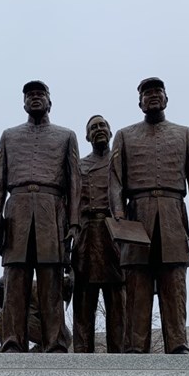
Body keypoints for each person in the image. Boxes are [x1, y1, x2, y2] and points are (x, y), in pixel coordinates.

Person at [109, 77, 189, 354]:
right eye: (146, 93)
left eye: (157, 92)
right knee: (137, 285)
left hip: (174, 214)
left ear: (166, 98)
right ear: (139, 102)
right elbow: (115, 180)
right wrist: (117, 215)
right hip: (136, 214)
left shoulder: (184, 133)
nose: (152, 96)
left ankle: (177, 343)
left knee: (174, 283)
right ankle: (136, 346)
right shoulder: (124, 135)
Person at [0, 81, 81, 352]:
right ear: (24, 103)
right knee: (15, 279)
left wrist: (74, 223)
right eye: (30, 95)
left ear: (50, 101)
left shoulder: (66, 136)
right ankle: (12, 340)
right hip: (16, 210)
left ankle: (56, 342)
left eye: (40, 94)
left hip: (51, 210)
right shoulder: (9, 136)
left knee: (52, 278)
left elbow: (75, 183)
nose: (35, 98)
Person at [72, 115, 125, 352]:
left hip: (113, 235)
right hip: (85, 237)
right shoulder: (78, 166)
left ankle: (120, 358)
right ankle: (82, 357)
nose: (99, 129)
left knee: (117, 301)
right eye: (93, 128)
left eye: (103, 125)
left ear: (111, 132)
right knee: (83, 301)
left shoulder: (122, 162)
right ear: (87, 136)